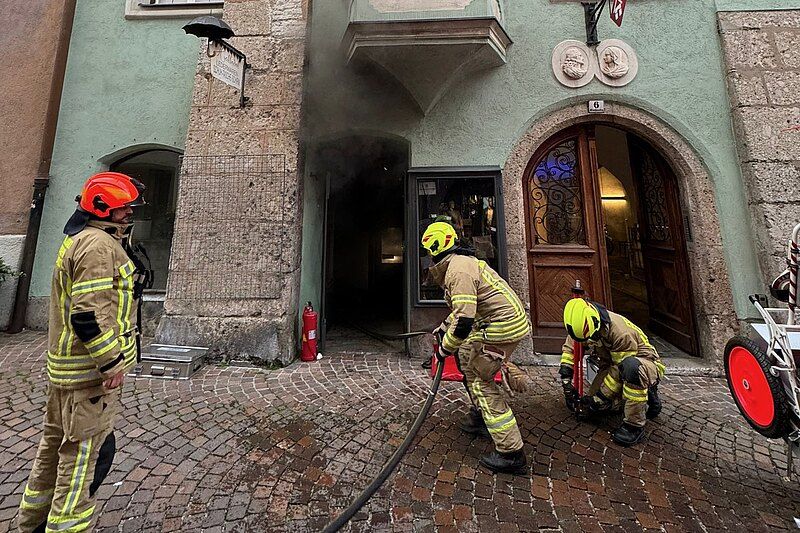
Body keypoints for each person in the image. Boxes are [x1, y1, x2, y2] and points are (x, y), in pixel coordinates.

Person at [17, 172, 146, 533]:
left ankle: (32, 522)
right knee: (84, 459)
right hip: (88, 375)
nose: (129, 215)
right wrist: (112, 363)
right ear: (104, 209)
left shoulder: (82, 239)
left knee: (52, 449)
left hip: (68, 371)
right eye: (124, 209)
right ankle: (65, 526)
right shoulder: (98, 248)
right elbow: (89, 316)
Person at [421, 221, 531, 475]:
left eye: (428, 251)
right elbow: (465, 310)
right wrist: (443, 327)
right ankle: (482, 416)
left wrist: (443, 350)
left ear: (435, 248)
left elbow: (464, 323)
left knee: (482, 381)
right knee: (469, 364)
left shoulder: (457, 271)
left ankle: (511, 453)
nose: (427, 256)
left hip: (502, 328)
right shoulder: (459, 265)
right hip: (498, 324)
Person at [559, 298, 665, 446]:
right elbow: (572, 348)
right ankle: (638, 395)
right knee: (599, 406)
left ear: (596, 325)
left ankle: (634, 426)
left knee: (629, 372)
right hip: (612, 364)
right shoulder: (581, 323)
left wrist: (600, 398)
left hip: (642, 363)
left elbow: (619, 369)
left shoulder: (621, 333)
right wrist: (566, 379)